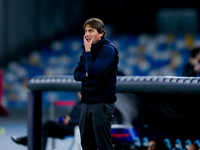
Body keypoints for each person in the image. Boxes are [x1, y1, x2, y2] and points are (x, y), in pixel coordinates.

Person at [73, 18, 119, 150]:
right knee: (87, 144)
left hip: (102, 103)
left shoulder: (108, 50)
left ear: (101, 33)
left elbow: (92, 70)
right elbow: (77, 74)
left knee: (103, 145)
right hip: (87, 103)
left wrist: (87, 52)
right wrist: (87, 72)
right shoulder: (87, 50)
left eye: (91, 31)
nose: (87, 34)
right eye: (86, 31)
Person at [11, 92, 82, 150]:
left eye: (80, 92)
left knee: (47, 122)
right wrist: (65, 118)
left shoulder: (85, 104)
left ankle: (28, 139)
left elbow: (83, 120)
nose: (79, 94)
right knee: (44, 131)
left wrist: (70, 121)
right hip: (66, 125)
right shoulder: (78, 103)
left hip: (74, 128)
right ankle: (31, 142)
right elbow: (69, 116)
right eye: (78, 92)